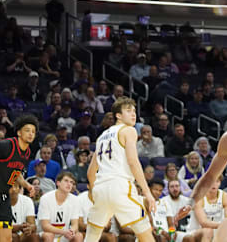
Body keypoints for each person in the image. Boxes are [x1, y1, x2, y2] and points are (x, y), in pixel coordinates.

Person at [84, 97, 155, 242]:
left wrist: (93, 191)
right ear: (118, 115)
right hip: (120, 186)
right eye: (128, 111)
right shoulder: (129, 130)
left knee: (91, 236)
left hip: (101, 188)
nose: (133, 114)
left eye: (134, 111)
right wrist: (147, 193)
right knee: (145, 233)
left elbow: (91, 172)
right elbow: (133, 162)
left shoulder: (101, 137)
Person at [37, 172, 83, 242]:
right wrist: (64, 232)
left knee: (78, 235)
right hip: (45, 234)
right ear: (58, 183)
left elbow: (75, 224)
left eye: (71, 182)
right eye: (66, 181)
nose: (69, 184)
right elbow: (45, 226)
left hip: (64, 234)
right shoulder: (45, 198)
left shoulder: (75, 200)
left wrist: (71, 231)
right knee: (49, 235)